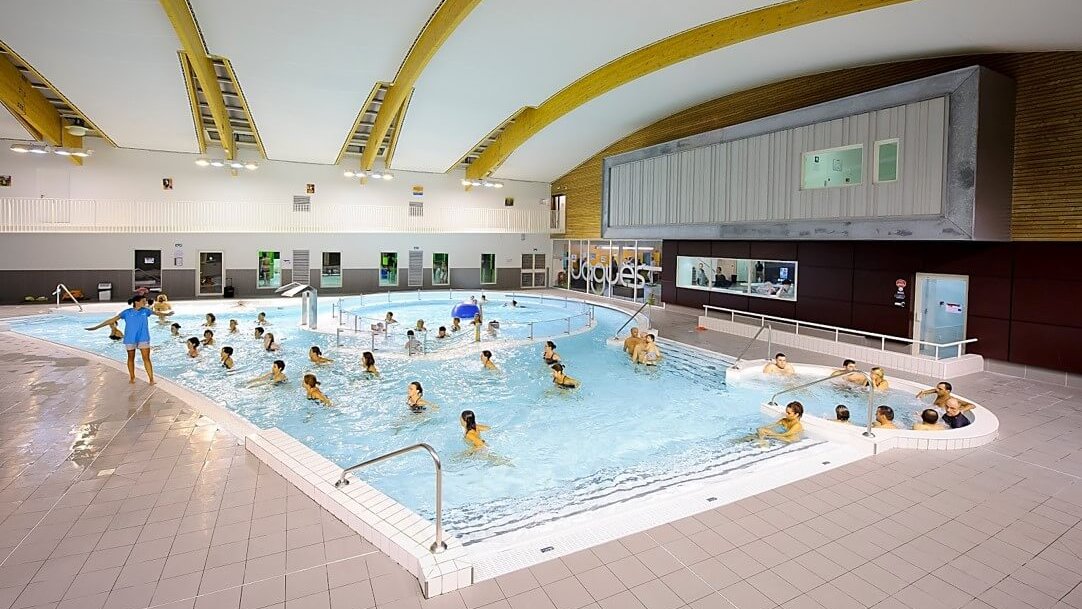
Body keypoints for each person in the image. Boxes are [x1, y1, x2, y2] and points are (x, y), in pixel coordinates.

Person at [85, 293, 156, 385]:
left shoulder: (146, 311)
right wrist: (96, 327)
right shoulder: (126, 312)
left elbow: (158, 313)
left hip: (143, 337)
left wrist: (167, 314)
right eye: (143, 301)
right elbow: (111, 320)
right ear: (136, 302)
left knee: (146, 358)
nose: (145, 303)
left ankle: (151, 379)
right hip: (130, 338)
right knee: (131, 358)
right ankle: (132, 377)